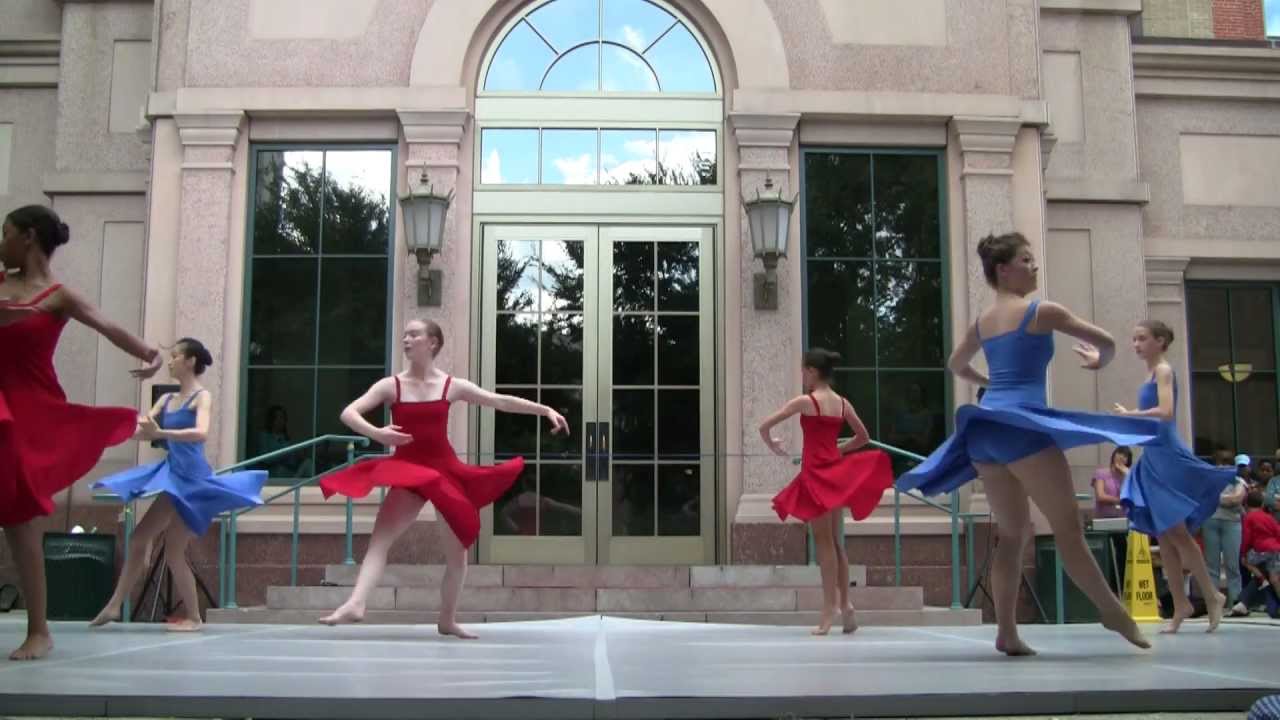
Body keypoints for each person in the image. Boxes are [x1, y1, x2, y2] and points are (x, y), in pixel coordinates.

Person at [898, 231, 1161, 656]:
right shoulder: (1043, 311)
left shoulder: (982, 323)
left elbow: (955, 364)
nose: (1034, 266)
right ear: (1004, 269)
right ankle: (1114, 613)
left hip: (986, 431)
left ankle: (1006, 631)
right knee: (1069, 529)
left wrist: (988, 384)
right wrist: (1099, 362)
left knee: (1013, 534)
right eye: (1026, 260)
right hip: (1020, 428)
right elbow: (1108, 343)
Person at [316, 319, 568, 638]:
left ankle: (447, 620)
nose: (406, 339)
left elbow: (498, 401)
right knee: (380, 541)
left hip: (444, 471)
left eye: (414, 334)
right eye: (405, 335)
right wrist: (378, 433)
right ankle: (355, 603)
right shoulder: (390, 386)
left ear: (432, 343)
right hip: (408, 470)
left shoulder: (452, 385)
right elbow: (349, 413)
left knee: (457, 556)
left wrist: (544, 409)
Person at [0, 204, 163, 660]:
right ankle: (38, 629)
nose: (1, 242)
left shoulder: (58, 295)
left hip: (30, 409)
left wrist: (147, 349)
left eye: (6, 232)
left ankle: (38, 630)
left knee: (18, 520)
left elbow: (105, 324)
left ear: (28, 238)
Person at [89, 338, 266, 631]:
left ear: (190, 361)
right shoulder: (166, 400)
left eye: (175, 356)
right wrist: (106, 431)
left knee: (163, 547)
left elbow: (201, 433)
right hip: (174, 475)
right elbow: (145, 431)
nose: (169, 361)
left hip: (192, 480)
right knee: (156, 545)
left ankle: (185, 616)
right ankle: (115, 606)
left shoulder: (202, 397)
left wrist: (163, 431)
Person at [761, 348, 894, 636]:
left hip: (816, 476)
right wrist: (838, 450)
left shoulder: (807, 402)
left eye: (803, 371)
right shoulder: (842, 403)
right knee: (836, 542)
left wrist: (773, 444)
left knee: (824, 545)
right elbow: (864, 437)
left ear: (811, 371)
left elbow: (765, 425)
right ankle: (845, 606)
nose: (802, 376)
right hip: (833, 473)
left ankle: (829, 610)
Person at [1114, 320, 1233, 633]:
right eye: (1134, 338)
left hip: (1165, 454)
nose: (1136, 344)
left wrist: (1131, 415)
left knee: (1176, 532)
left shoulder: (1164, 370)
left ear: (1161, 341)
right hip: (1153, 454)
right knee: (1163, 533)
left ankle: (1210, 594)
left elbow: (1166, 411)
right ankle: (1181, 602)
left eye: (1142, 339)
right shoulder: (1151, 373)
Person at [1203, 449, 1248, 614]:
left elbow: (1237, 498)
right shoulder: (1210, 480)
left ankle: (1235, 603)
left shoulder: (1239, 481)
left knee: (1232, 565)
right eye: (1220, 462)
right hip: (1210, 521)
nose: (1223, 466)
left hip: (1232, 524)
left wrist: (1218, 498)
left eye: (1227, 463)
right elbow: (1205, 498)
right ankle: (1214, 606)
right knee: (1212, 566)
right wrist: (1227, 500)